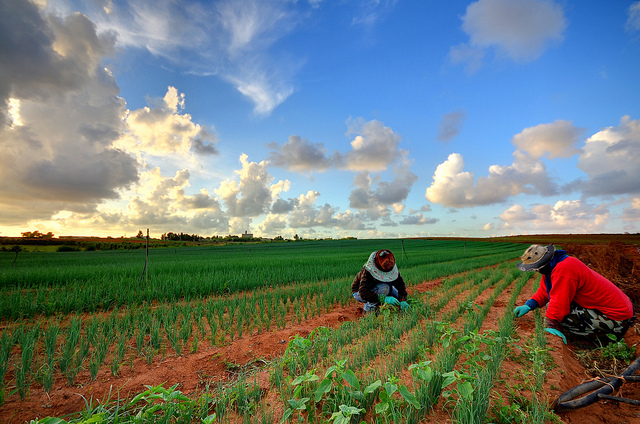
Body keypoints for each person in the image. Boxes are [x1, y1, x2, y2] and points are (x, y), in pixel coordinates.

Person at [513, 244, 635, 344]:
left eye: (535, 267)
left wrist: (550, 325)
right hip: (615, 310)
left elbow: (559, 302)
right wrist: (529, 305)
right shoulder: (554, 266)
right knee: (555, 310)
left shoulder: (564, 269)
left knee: (563, 317)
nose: (535, 270)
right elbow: (545, 291)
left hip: (617, 318)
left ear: (543, 263)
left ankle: (603, 339)